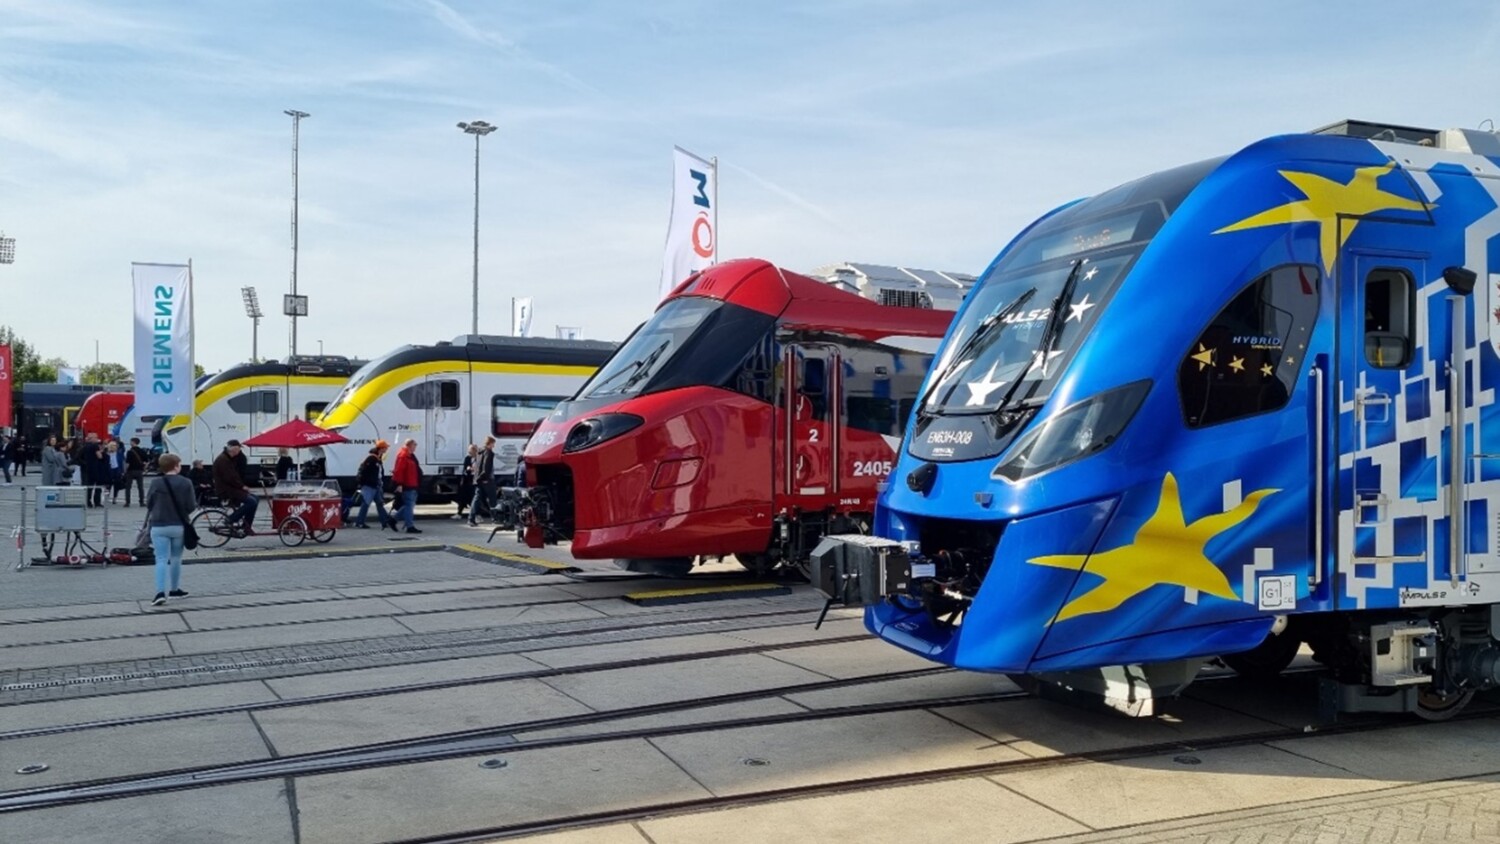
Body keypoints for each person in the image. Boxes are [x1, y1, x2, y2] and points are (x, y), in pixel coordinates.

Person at [145, 453, 195, 607]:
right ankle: (174, 590)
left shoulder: (155, 482)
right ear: (176, 466)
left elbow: (149, 503)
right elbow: (191, 505)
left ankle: (160, 592)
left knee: (160, 559)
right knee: (175, 558)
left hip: (159, 525)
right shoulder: (186, 482)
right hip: (178, 525)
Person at [213, 440, 258, 531]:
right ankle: (231, 519)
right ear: (233, 449)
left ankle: (247, 526)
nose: (239, 452)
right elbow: (230, 478)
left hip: (231, 487)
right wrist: (242, 486)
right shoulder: (223, 460)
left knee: (256, 498)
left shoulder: (228, 459)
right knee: (252, 501)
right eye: (238, 449)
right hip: (226, 489)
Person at [353, 440, 395, 529]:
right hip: (370, 486)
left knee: (379, 503)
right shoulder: (372, 458)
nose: (387, 449)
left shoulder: (377, 458)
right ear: (381, 448)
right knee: (366, 504)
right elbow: (364, 471)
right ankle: (360, 522)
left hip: (375, 485)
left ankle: (384, 521)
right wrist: (364, 482)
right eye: (385, 448)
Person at [391, 438, 422, 534]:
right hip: (408, 484)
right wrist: (399, 484)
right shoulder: (403, 456)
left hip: (412, 484)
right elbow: (399, 471)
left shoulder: (409, 455)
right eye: (414, 445)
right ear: (409, 445)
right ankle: (409, 526)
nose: (415, 447)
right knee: (409, 505)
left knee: (408, 505)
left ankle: (393, 520)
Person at [468, 436, 497, 527]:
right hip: (486, 479)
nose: (494, 446)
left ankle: (471, 519)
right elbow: (486, 467)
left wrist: (478, 478)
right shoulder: (489, 453)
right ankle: (495, 518)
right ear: (490, 443)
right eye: (493, 443)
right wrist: (485, 478)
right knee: (492, 499)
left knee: (476, 499)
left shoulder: (479, 452)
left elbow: (477, 466)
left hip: (477, 479)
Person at [123, 438, 148, 506]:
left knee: (128, 487)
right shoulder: (142, 451)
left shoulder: (130, 452)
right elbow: (146, 461)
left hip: (131, 471)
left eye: (131, 441)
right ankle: (141, 502)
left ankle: (127, 502)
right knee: (140, 487)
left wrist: (125, 471)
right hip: (139, 471)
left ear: (133, 442)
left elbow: (127, 463)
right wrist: (144, 468)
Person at [456, 444, 477, 520]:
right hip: (467, 479)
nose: (470, 452)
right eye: (469, 450)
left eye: (471, 450)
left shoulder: (478, 458)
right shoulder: (467, 458)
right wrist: (468, 468)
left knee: (474, 498)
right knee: (462, 497)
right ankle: (459, 512)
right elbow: (465, 468)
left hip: (474, 480)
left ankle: (475, 514)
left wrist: (473, 469)